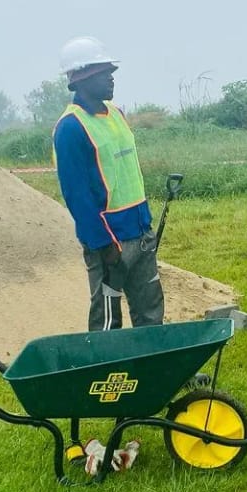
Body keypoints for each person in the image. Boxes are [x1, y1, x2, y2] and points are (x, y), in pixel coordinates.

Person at [53, 36, 164, 334]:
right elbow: (77, 195)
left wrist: (145, 226)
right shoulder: (70, 128)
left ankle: (153, 374)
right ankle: (103, 375)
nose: (111, 78)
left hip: (140, 233)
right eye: (104, 73)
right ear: (82, 78)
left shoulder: (117, 115)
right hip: (110, 244)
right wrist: (104, 245)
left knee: (150, 313)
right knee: (107, 322)